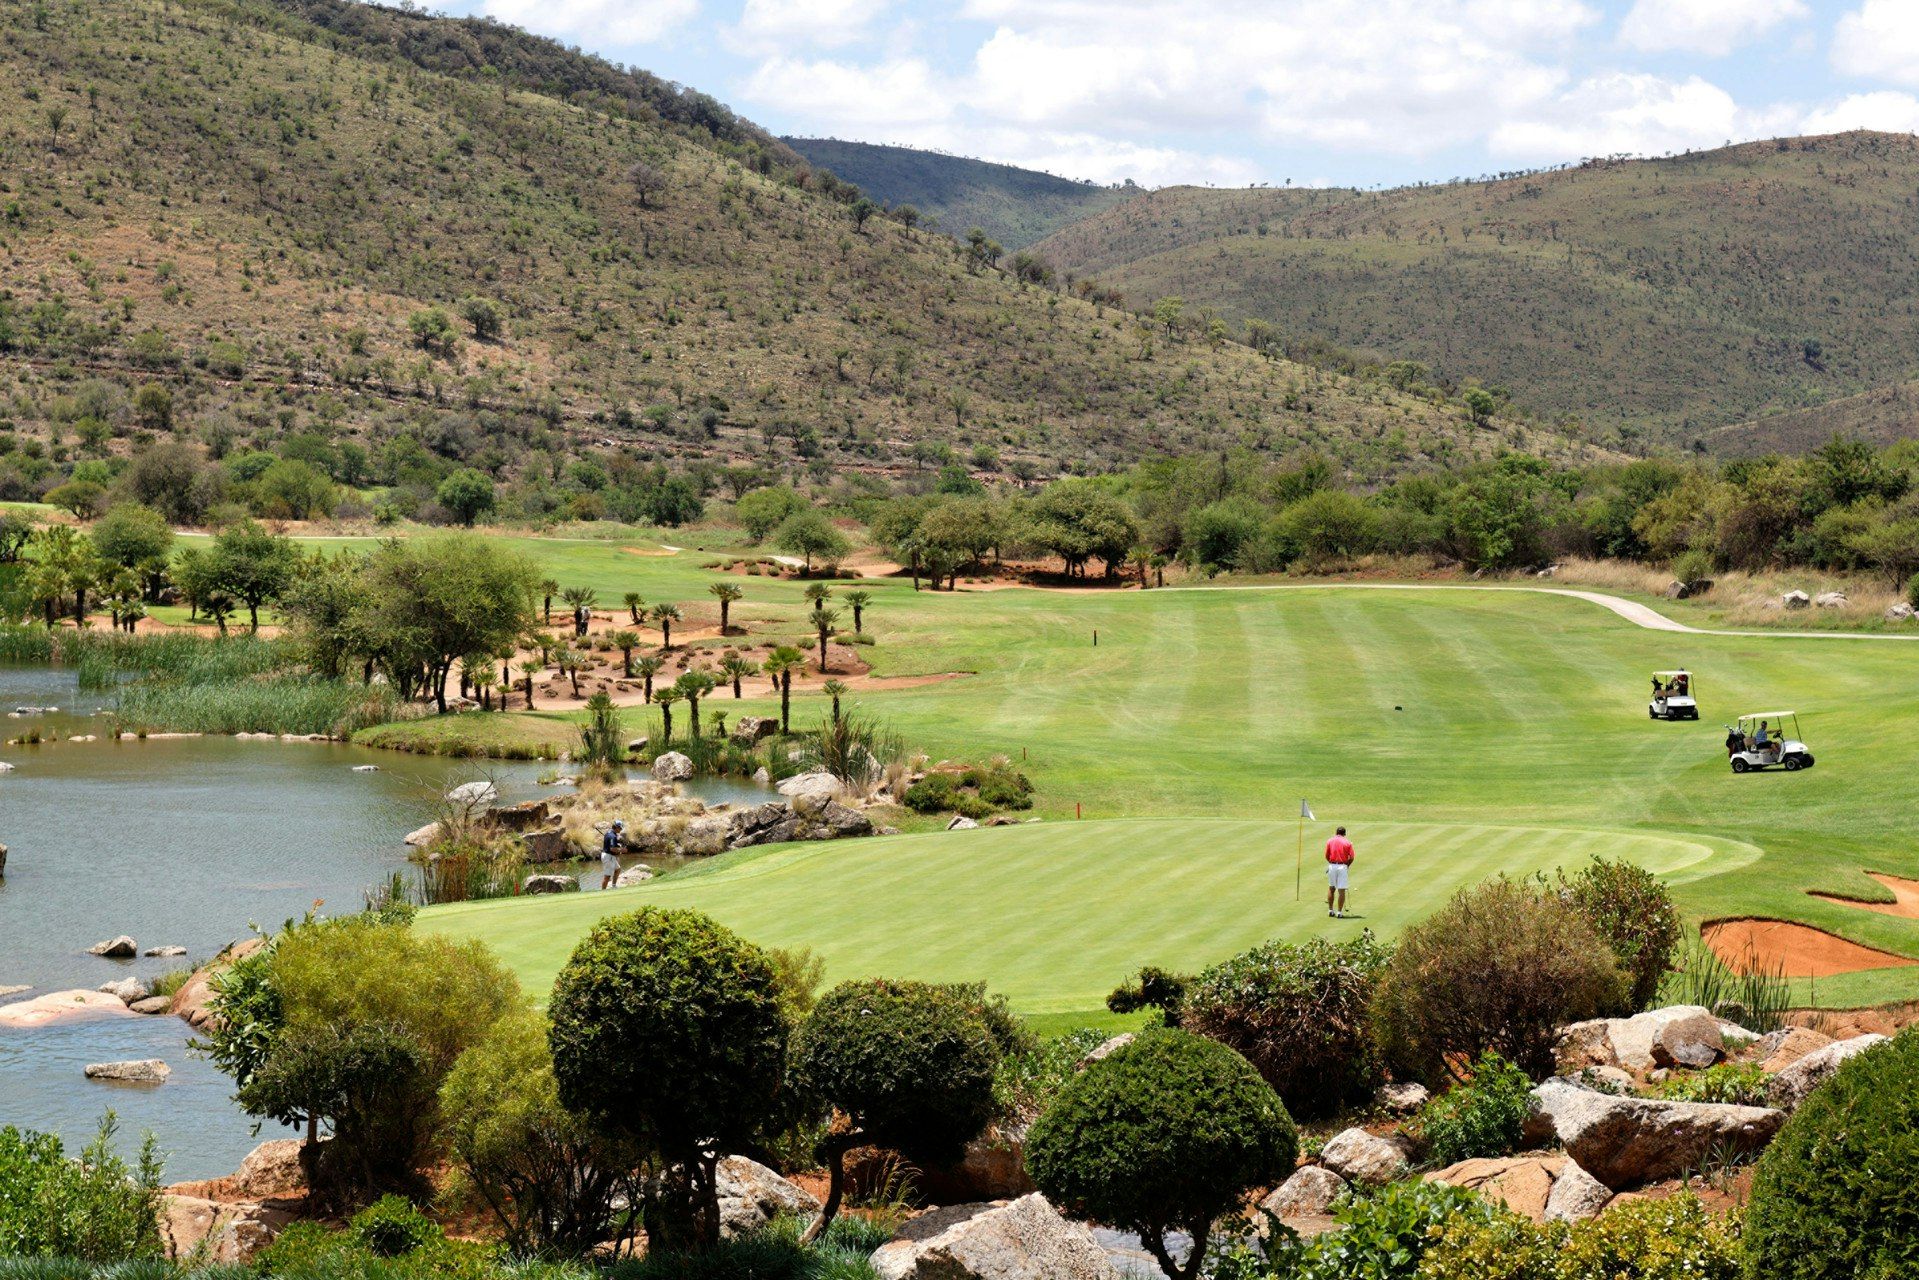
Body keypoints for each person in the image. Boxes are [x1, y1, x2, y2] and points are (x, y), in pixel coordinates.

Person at [1325, 826, 1355, 919]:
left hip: (1332, 865)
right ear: (1344, 834)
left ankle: (1330, 910)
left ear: (1336, 832)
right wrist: (1347, 865)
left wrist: (1331, 863)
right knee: (1341, 890)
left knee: (1331, 888)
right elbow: (1352, 857)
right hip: (1342, 866)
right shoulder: (1347, 842)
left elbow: (1326, 855)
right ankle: (1339, 912)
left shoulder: (1330, 841)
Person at [600, 820, 625, 889]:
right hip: (608, 857)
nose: (621, 829)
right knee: (607, 876)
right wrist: (622, 850)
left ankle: (613, 886)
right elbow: (612, 849)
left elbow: (611, 845)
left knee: (618, 869)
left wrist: (617, 845)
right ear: (616, 827)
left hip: (609, 855)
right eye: (620, 828)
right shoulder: (613, 836)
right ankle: (603, 892)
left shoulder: (609, 833)